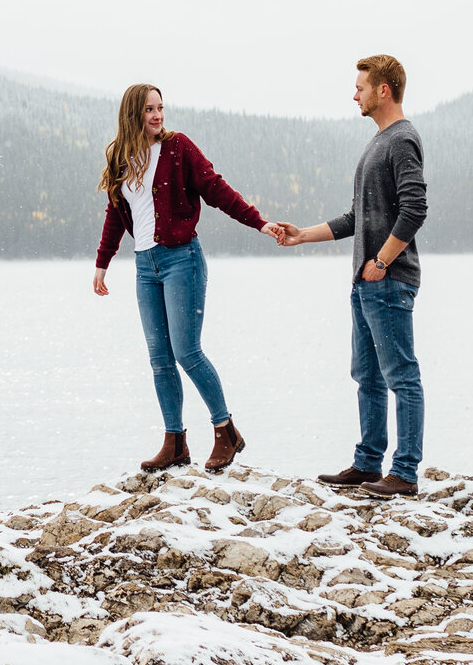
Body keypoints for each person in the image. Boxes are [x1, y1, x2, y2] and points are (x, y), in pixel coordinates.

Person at [91, 82, 277, 473]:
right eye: (148, 110)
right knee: (160, 359)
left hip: (182, 260)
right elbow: (115, 213)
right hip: (145, 266)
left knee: (186, 351)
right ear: (132, 115)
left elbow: (215, 188)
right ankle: (174, 442)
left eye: (160, 108)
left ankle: (225, 430)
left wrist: (257, 223)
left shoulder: (179, 148)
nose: (157, 115)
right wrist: (103, 262)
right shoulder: (122, 160)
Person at [267, 55, 428, 497]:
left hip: (387, 280)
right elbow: (355, 217)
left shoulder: (402, 139)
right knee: (368, 376)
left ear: (384, 90)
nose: (353, 94)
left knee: (401, 376)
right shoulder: (378, 142)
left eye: (360, 86)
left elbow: (415, 209)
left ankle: (405, 473)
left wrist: (381, 262)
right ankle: (367, 464)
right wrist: (303, 236)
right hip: (365, 283)